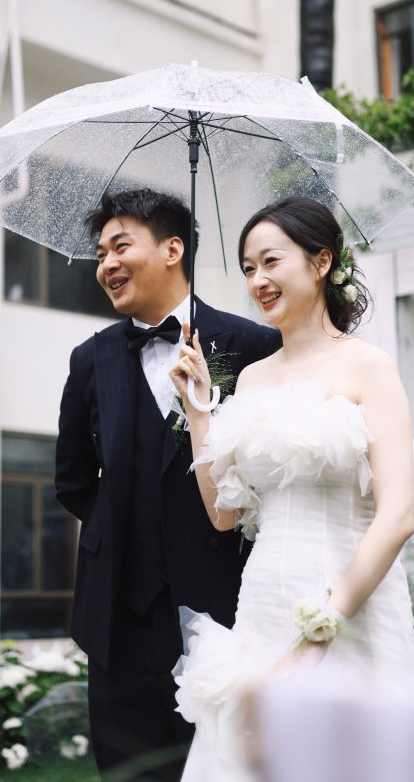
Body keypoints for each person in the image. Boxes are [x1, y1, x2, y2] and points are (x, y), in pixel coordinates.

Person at [170, 196, 414, 781]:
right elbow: (223, 516)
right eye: (247, 268)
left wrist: (322, 630)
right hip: (263, 605)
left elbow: (398, 516)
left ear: (321, 261)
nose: (257, 280)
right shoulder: (252, 378)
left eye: (270, 261)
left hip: (349, 604)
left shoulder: (369, 366)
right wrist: (200, 410)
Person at [55, 188, 279, 781]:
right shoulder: (89, 359)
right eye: (100, 254)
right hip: (117, 617)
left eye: (120, 247)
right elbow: (72, 481)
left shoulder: (253, 346)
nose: (106, 264)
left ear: (173, 249)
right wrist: (123, 528)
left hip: (222, 608)